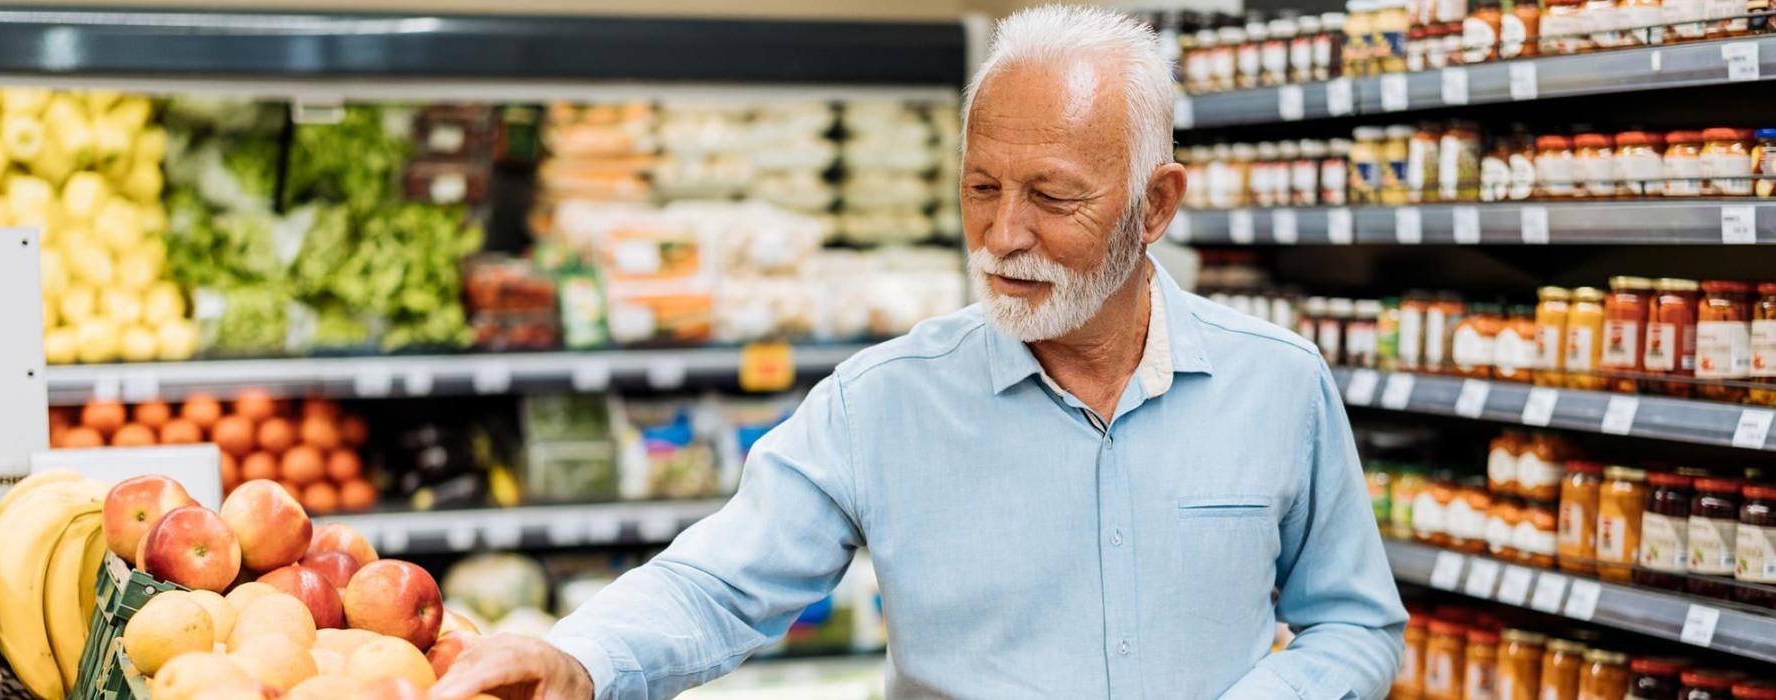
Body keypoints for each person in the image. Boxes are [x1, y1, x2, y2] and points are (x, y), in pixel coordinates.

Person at [431, 6, 1405, 699]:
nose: (1004, 233)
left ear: (1155, 206)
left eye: (1052, 196)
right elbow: (719, 582)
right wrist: (582, 659)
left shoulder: (1277, 384)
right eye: (982, 188)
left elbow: (1355, 621)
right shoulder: (884, 401)